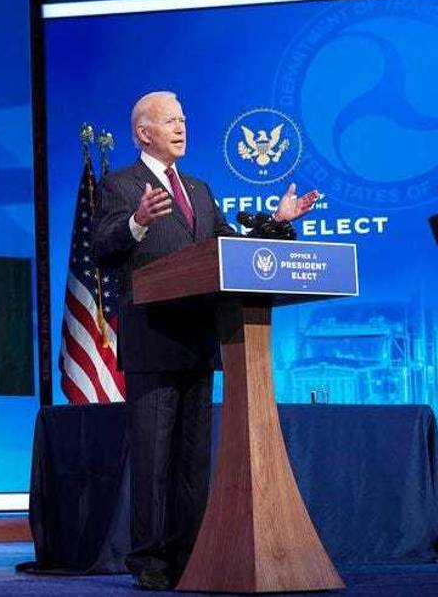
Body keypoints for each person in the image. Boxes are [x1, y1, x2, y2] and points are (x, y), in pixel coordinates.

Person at [93, 91, 317, 591]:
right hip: (152, 338)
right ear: (142, 133)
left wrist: (278, 223)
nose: (182, 127)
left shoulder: (198, 188)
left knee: (193, 459)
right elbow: (103, 246)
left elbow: (229, 250)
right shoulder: (119, 185)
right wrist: (137, 222)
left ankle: (192, 554)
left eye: (185, 120)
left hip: (198, 338)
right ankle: (150, 561)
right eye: (171, 121)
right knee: (154, 457)